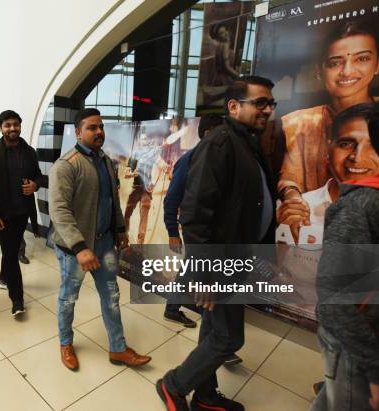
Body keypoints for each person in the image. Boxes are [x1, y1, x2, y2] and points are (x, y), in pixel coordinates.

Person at [157, 76, 278, 411]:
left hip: (238, 259)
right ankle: (173, 384)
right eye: (260, 103)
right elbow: (195, 216)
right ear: (234, 106)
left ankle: (206, 396)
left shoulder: (248, 143)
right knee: (229, 337)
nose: (267, 110)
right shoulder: (220, 145)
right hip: (219, 262)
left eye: (271, 104)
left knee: (213, 328)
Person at [49, 107, 152, 371]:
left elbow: (111, 199)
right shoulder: (66, 165)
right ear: (78, 132)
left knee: (111, 295)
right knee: (69, 297)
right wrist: (80, 247)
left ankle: (118, 349)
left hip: (105, 243)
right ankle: (64, 343)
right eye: (92, 128)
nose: (99, 132)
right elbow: (58, 211)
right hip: (76, 249)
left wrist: (120, 229)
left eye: (101, 127)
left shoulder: (105, 161)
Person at [311, 106, 379, 411]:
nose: (356, 157)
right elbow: (336, 300)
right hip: (356, 344)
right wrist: (375, 371)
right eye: (346, 143)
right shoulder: (361, 205)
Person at [279, 21, 379, 203]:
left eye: (362, 58)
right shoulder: (300, 123)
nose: (347, 71)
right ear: (319, 71)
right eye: (335, 63)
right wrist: (294, 200)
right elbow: (289, 178)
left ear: (378, 65)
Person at [277, 102, 379, 244]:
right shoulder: (296, 210)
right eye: (346, 144)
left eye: (374, 145)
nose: (357, 157)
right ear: (328, 149)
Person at [162, 113, 224, 329]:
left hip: (216, 232)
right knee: (195, 268)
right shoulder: (188, 161)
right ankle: (176, 310)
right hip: (197, 232)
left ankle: (180, 308)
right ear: (208, 133)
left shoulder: (221, 161)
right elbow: (171, 200)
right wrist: (172, 232)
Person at [0, 110, 41, 316]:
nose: (12, 128)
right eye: (7, 125)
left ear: (20, 126)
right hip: (2, 213)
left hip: (22, 211)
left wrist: (35, 185)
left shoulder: (29, 152)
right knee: (11, 252)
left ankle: (3, 278)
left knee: (11, 249)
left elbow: (39, 176)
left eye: (15, 124)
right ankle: (17, 300)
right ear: (0, 128)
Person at [123, 123, 172, 244]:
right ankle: (124, 237)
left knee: (143, 216)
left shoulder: (153, 153)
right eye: (143, 139)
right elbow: (127, 173)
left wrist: (167, 168)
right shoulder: (135, 154)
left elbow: (163, 166)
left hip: (147, 189)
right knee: (127, 213)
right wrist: (132, 173)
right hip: (136, 187)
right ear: (139, 140)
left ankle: (140, 244)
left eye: (146, 138)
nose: (145, 141)